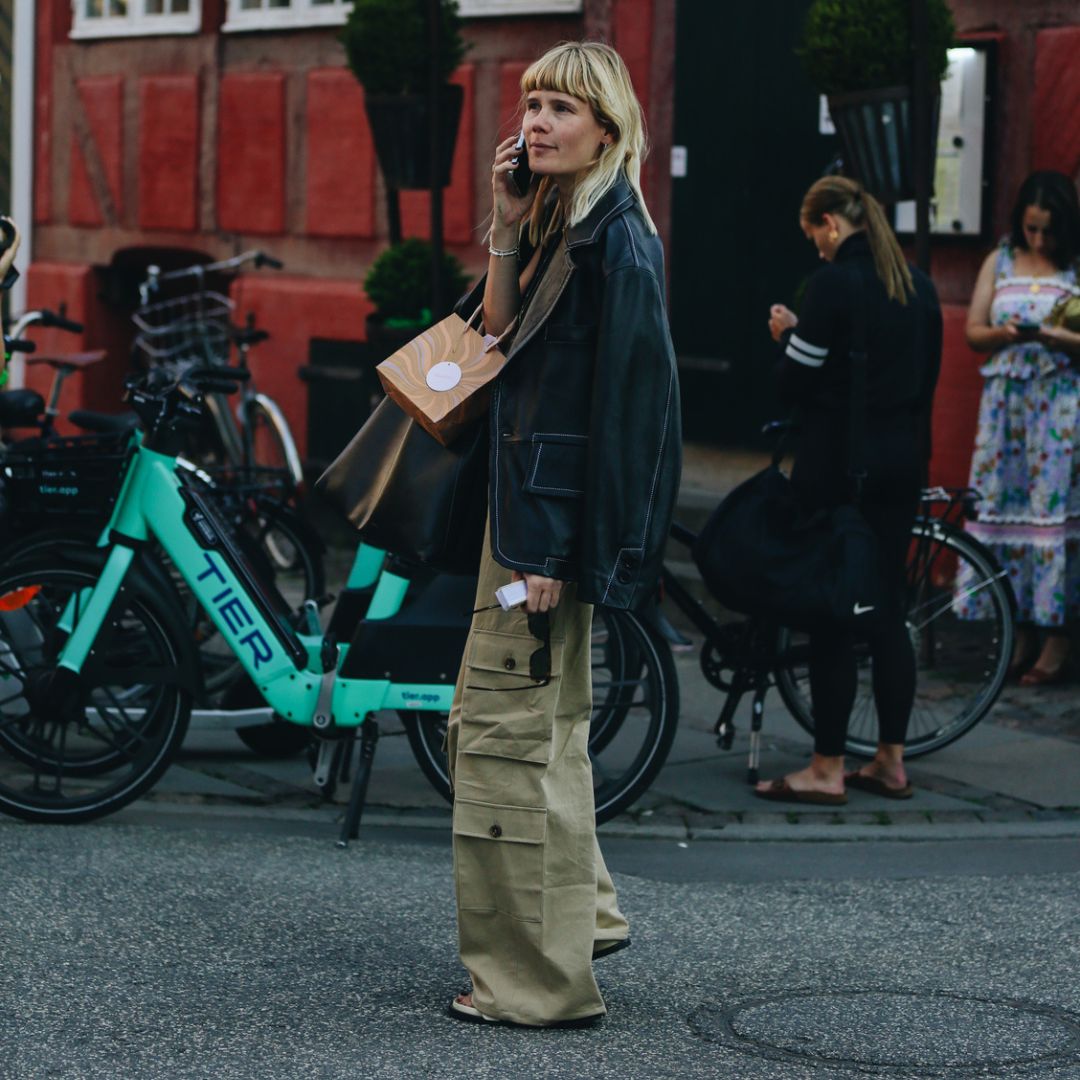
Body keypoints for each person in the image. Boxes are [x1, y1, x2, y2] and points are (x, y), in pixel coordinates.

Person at [443, 42, 681, 1028]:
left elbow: (627, 418)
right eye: (533, 103)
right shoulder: (560, 223)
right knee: (545, 740)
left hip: (535, 540)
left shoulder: (619, 242)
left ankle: (535, 985)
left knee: (501, 742)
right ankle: (583, 916)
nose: (537, 122)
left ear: (609, 131)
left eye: (563, 110)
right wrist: (503, 228)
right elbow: (490, 344)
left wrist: (551, 556)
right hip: (521, 526)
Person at [757, 176, 942, 804]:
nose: (817, 251)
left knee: (832, 614)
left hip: (840, 470)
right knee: (887, 613)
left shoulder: (836, 284)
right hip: (902, 470)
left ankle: (827, 767)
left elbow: (794, 382)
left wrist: (789, 334)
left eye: (816, 237)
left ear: (832, 224)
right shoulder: (921, 289)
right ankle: (891, 762)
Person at [959, 171, 1080, 685]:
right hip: (1006, 408)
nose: (1039, 240)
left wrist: (1059, 339)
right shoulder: (1000, 260)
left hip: (1058, 406)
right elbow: (972, 331)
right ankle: (1018, 632)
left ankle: (1056, 641)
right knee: (1005, 508)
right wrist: (1005, 334)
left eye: (1048, 230)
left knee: (1050, 513)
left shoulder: (1074, 267)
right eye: (1032, 228)